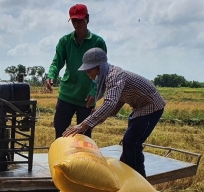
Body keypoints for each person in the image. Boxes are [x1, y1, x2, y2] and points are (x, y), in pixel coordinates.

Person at [63, 47, 166, 177]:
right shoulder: (108, 76)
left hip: (151, 107)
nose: (88, 74)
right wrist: (102, 113)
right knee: (129, 142)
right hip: (139, 108)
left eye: (89, 70)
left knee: (132, 142)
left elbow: (110, 103)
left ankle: (140, 181)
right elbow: (117, 101)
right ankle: (125, 174)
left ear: (99, 67)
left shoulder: (114, 76)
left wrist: (83, 125)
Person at [46, 3, 107, 139]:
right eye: (74, 20)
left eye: (80, 20)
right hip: (67, 94)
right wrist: (51, 75)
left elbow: (102, 71)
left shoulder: (98, 42)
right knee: (60, 128)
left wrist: (94, 92)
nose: (77, 24)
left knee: (85, 133)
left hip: (87, 97)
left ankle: (82, 160)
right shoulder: (65, 41)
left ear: (87, 19)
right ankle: (61, 158)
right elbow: (57, 62)